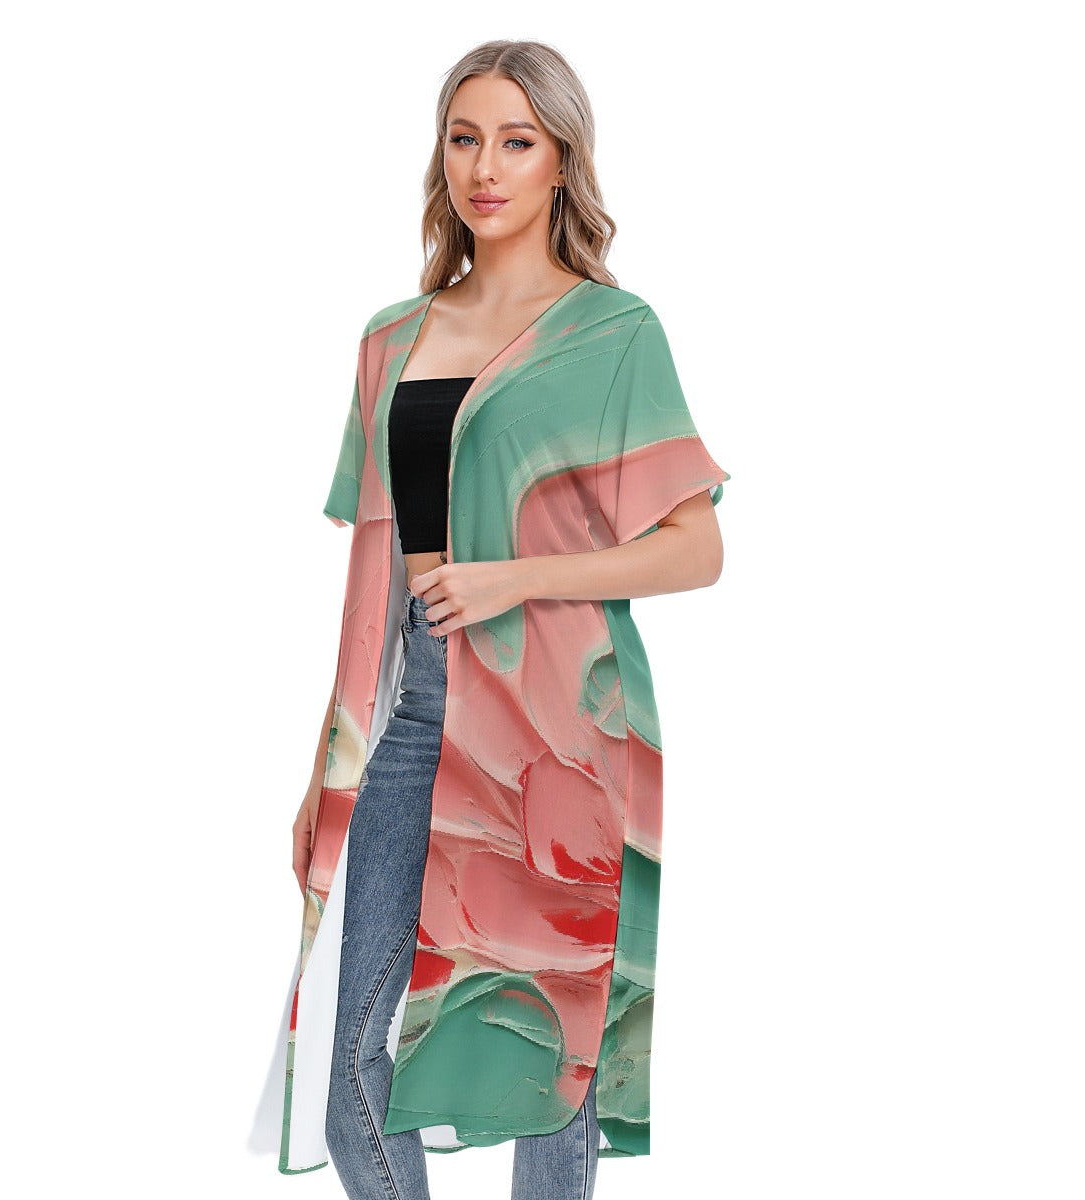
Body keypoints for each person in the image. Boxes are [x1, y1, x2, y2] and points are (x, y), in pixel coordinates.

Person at [281, 38, 729, 1200]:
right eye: (465, 138)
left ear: (562, 162)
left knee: (550, 1064)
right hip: (415, 716)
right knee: (352, 1075)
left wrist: (513, 579)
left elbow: (698, 549)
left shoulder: (612, 333)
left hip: (559, 732)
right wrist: (330, 765)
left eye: (517, 142)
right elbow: (372, 580)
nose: (486, 168)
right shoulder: (392, 338)